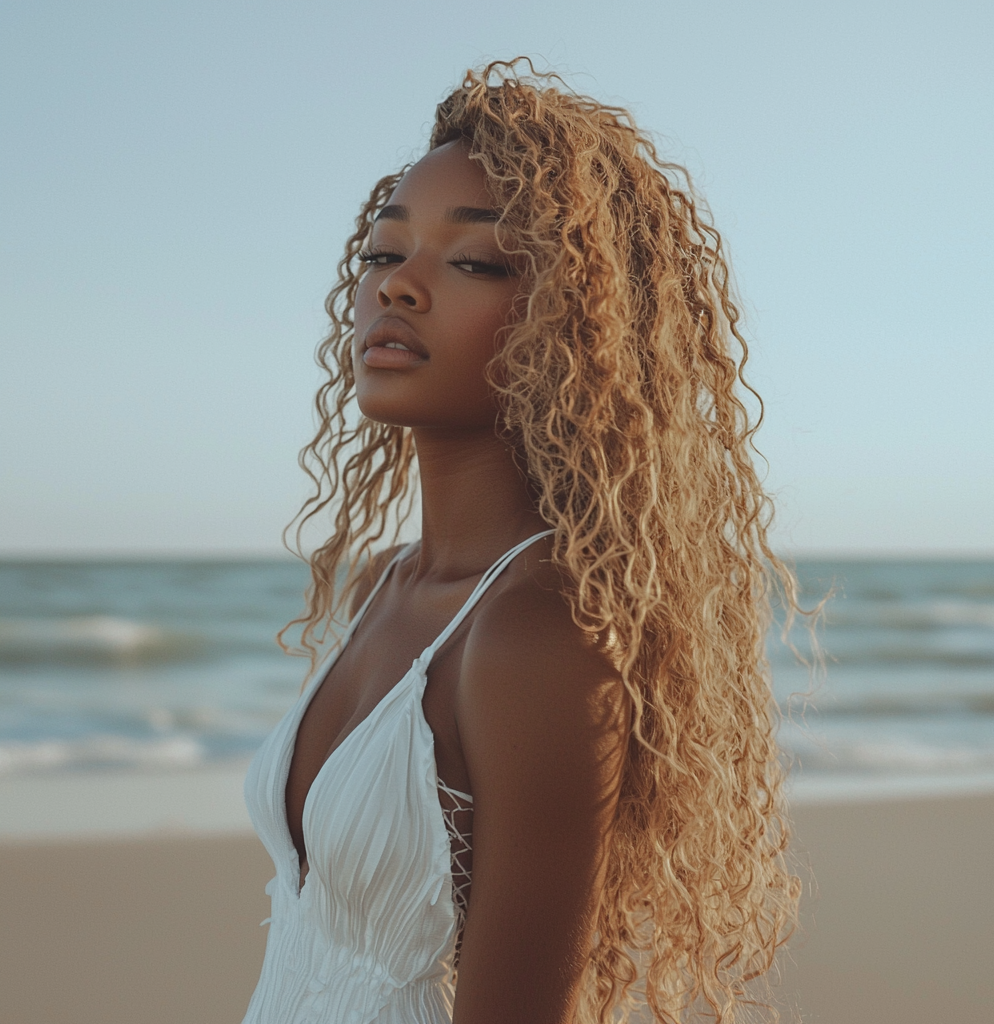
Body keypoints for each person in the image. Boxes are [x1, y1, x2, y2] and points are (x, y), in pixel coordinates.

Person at [241, 59, 801, 1024]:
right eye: (383, 255)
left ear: (578, 325)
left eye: (475, 262)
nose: (400, 289)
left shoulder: (535, 635)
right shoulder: (385, 585)